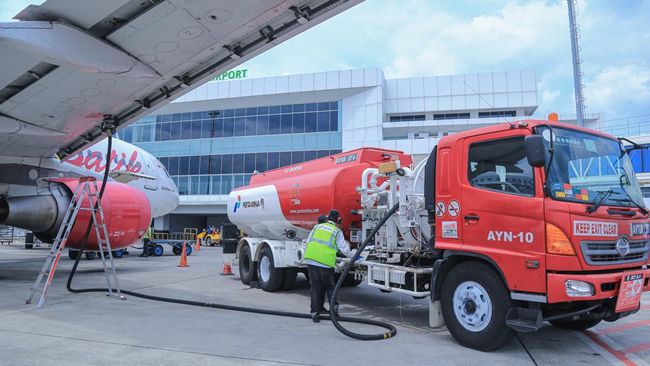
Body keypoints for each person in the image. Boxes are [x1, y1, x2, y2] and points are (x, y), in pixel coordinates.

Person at [304, 209, 353, 323]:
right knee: (330, 287)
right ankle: (333, 312)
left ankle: (315, 312)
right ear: (338, 220)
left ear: (327, 218)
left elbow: (308, 242)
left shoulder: (317, 227)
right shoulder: (336, 231)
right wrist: (353, 256)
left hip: (311, 259)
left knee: (315, 287)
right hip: (325, 262)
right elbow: (344, 248)